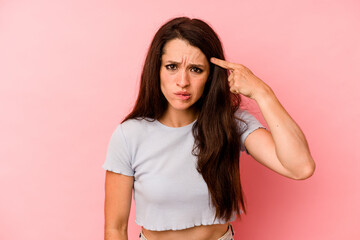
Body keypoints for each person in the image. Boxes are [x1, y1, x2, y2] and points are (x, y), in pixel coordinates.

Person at [102, 17, 315, 240]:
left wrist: (263, 93)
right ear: (156, 70)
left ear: (210, 76)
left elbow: (301, 167)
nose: (182, 81)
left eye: (196, 69)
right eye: (172, 67)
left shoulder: (230, 123)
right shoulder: (129, 135)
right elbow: (115, 229)